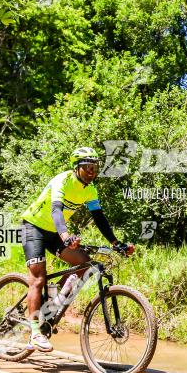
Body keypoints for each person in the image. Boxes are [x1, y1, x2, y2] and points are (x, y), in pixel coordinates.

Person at [19, 146, 133, 352]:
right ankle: (35, 333)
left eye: (95, 168)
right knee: (37, 278)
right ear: (76, 168)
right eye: (87, 167)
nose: (92, 172)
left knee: (84, 262)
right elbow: (56, 210)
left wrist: (116, 242)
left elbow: (99, 217)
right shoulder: (62, 181)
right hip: (33, 227)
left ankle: (52, 305)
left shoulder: (90, 190)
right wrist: (65, 236)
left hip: (54, 233)